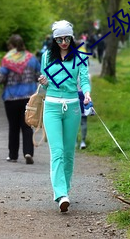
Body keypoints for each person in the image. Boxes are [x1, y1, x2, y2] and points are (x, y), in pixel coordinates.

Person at [38, 20, 91, 212]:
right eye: (59, 39)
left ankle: (65, 190)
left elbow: (84, 80)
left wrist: (87, 93)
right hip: (51, 107)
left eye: (66, 38)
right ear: (54, 39)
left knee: (69, 153)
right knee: (57, 152)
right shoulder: (47, 57)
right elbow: (44, 86)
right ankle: (60, 194)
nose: (63, 42)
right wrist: (43, 81)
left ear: (71, 37)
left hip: (73, 108)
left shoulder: (80, 57)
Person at [0, 34, 41, 164]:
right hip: (28, 98)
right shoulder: (32, 58)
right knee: (27, 126)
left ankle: (13, 155)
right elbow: (39, 75)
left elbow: (0, 79)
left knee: (13, 127)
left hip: (11, 98)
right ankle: (28, 152)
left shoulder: (7, 60)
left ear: (11, 46)